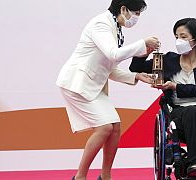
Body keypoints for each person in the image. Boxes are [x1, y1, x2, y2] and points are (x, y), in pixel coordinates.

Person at [56, 0, 160, 179]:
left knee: (115, 127)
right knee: (104, 128)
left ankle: (105, 176)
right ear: (123, 9)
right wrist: (143, 44)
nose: (137, 18)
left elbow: (109, 69)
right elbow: (114, 54)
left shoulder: (116, 28)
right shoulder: (101, 24)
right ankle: (80, 177)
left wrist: (136, 76)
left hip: (93, 86)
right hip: (77, 83)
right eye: (136, 13)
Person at [129, 18, 196, 178]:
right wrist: (145, 53)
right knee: (191, 111)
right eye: (176, 36)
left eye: (183, 37)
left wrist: (175, 87)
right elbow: (135, 68)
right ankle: (193, 162)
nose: (179, 41)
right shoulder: (168, 60)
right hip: (180, 111)